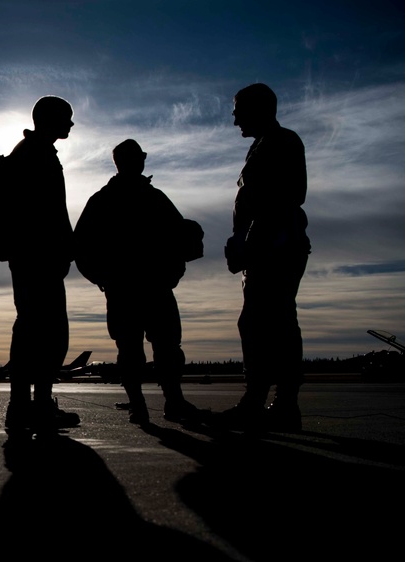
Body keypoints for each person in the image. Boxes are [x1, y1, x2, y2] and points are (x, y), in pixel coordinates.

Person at [75, 139, 203, 425]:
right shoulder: (113, 200)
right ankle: (146, 405)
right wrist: (103, 279)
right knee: (136, 351)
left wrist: (174, 271)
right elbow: (81, 246)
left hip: (149, 287)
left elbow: (180, 236)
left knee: (162, 348)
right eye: (138, 157)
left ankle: (167, 403)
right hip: (133, 288)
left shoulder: (147, 198)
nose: (141, 161)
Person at [220, 83, 310, 432]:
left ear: (260, 109)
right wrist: (240, 241)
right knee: (260, 323)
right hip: (261, 248)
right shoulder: (260, 147)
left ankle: (275, 402)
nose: (235, 120)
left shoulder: (284, 142)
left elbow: (289, 196)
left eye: (239, 111)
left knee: (275, 323)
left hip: (277, 246)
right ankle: (265, 401)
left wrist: (252, 238)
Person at [3, 95, 80, 434]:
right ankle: (26, 406)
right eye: (67, 117)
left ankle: (31, 405)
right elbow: (40, 214)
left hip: (37, 258)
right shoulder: (33, 155)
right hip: (37, 260)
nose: (72, 124)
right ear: (49, 119)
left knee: (40, 331)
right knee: (41, 331)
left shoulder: (37, 153)